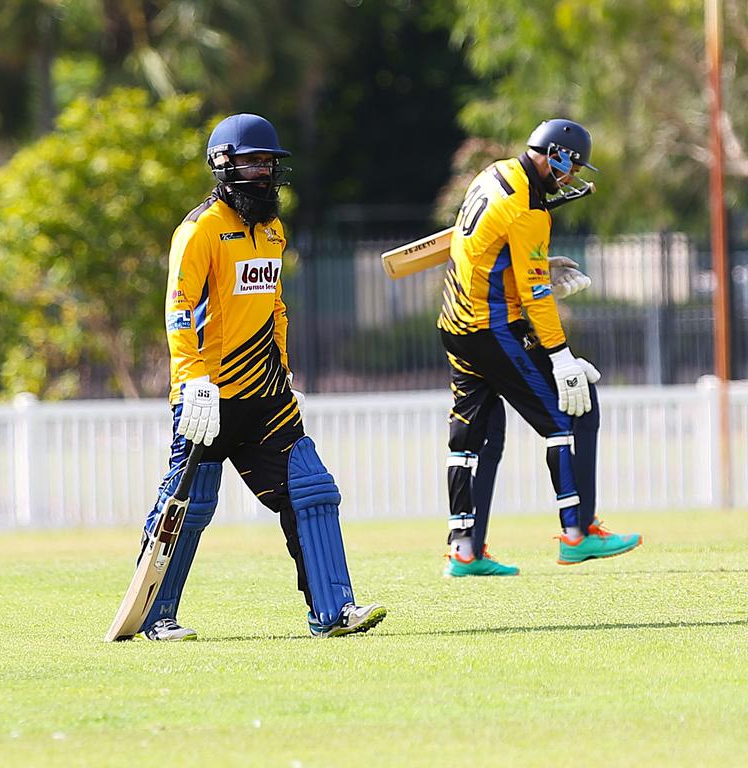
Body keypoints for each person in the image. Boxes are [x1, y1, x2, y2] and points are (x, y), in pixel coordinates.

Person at [134, 113, 387, 640]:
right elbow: (179, 309)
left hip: (267, 393)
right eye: (252, 162)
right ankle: (155, 615)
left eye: (270, 163)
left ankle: (334, 612)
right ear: (223, 166)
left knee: (313, 490)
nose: (264, 172)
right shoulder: (199, 230)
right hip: (208, 395)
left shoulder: (273, 230)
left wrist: (285, 366)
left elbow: (275, 308)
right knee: (192, 504)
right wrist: (192, 379)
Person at [436, 118, 643, 576]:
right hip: (493, 327)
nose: (571, 178)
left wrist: (537, 261)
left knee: (478, 438)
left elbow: (479, 245)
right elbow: (536, 296)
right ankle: (578, 533)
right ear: (557, 156)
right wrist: (560, 354)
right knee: (572, 412)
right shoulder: (530, 208)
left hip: (456, 323)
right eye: (572, 167)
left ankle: (464, 550)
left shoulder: (495, 173)